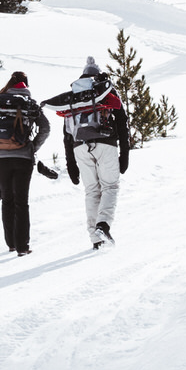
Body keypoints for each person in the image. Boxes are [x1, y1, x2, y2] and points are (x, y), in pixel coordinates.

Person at [44, 54, 130, 248]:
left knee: (92, 191)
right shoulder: (104, 92)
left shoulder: (74, 98)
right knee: (110, 187)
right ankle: (103, 225)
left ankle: (96, 239)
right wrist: (124, 154)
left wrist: (71, 164)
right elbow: (122, 123)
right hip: (105, 143)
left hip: (80, 147)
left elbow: (67, 133)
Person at [0, 69, 50, 255]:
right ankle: (23, 247)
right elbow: (46, 128)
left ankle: (10, 244)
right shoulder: (29, 104)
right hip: (23, 157)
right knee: (21, 202)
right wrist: (33, 147)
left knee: (7, 199)